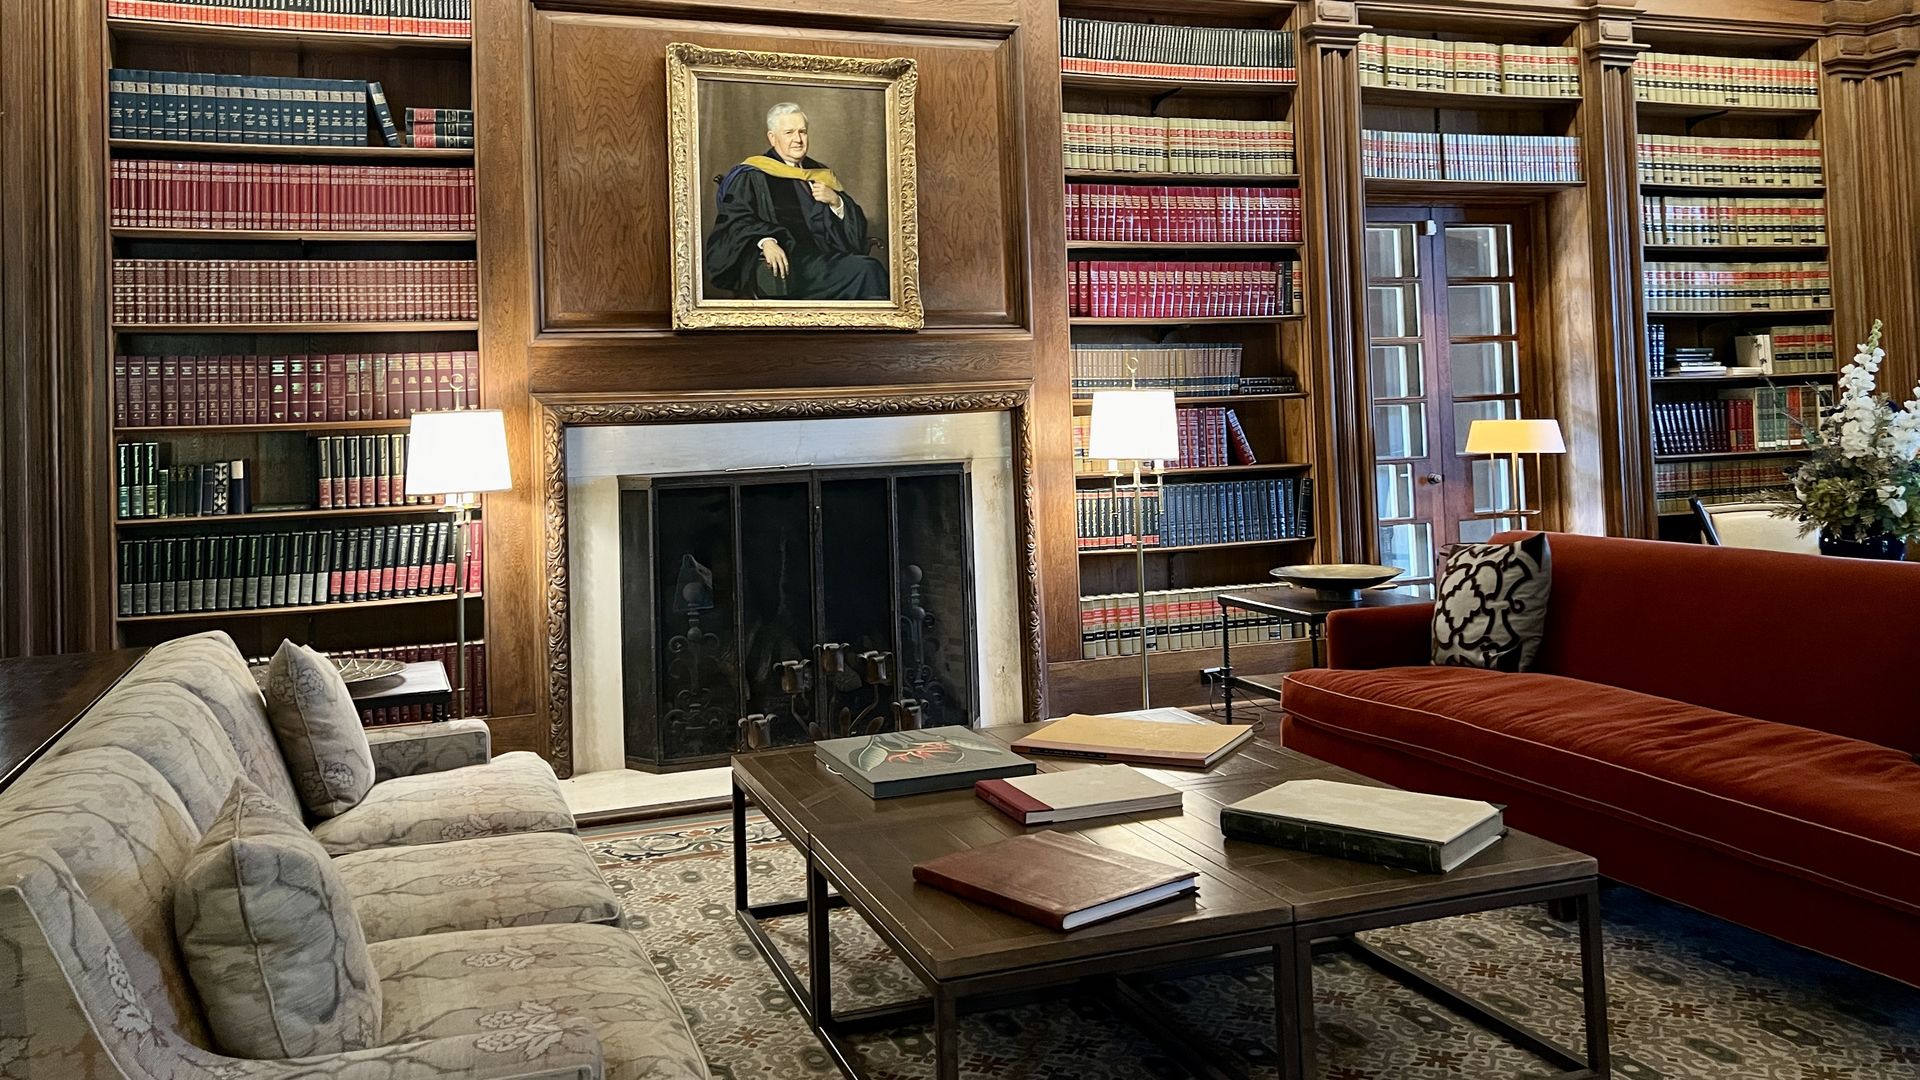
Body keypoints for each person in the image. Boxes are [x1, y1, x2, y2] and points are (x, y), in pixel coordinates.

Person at [704, 102, 889, 301]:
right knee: (869, 270)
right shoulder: (753, 175)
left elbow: (854, 228)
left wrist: (836, 201)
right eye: (789, 132)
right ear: (772, 138)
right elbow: (735, 220)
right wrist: (765, 241)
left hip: (825, 260)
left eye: (802, 132)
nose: (798, 140)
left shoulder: (818, 171)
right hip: (788, 268)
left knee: (868, 269)